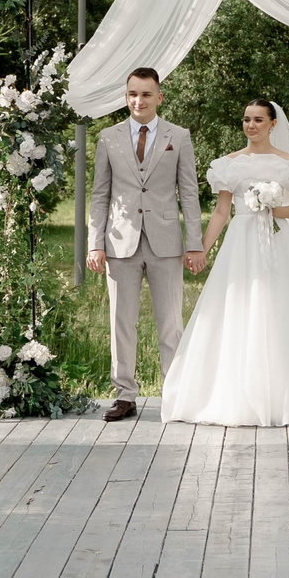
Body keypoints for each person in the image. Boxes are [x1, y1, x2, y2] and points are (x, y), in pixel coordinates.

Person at [161, 100, 289, 427]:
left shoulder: (287, 162)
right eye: (246, 120)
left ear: (272, 124)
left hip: (277, 243)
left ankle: (287, 393)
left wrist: (270, 208)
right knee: (236, 309)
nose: (250, 125)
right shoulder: (229, 163)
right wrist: (201, 249)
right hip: (241, 244)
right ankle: (233, 394)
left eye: (257, 120)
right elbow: (223, 213)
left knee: (279, 308)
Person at [85, 68, 204, 422]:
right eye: (133, 94)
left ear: (159, 97)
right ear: (126, 97)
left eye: (147, 94)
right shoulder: (108, 137)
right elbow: (100, 194)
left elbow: (190, 194)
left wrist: (194, 243)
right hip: (120, 242)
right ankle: (125, 395)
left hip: (166, 243)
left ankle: (173, 393)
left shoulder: (178, 136)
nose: (139, 100)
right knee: (122, 321)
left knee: (170, 323)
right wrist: (95, 243)